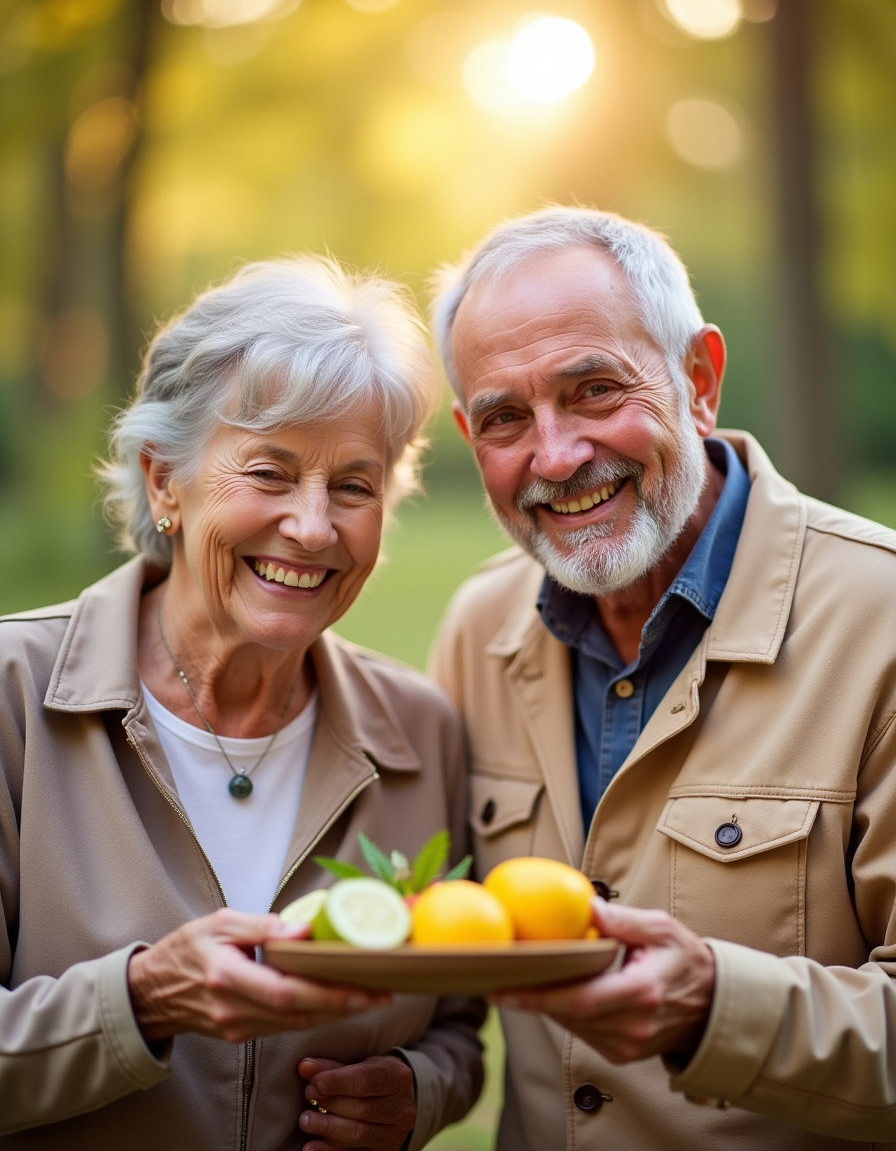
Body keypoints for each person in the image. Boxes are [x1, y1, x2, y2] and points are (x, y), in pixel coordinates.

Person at [428, 206, 896, 1151]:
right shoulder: (477, 626)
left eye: (595, 390)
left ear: (700, 379)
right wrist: (411, 1084)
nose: (555, 457)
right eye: (505, 418)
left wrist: (716, 1008)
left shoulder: (883, 624)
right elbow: (442, 982)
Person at [0, 256, 484, 1149]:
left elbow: (457, 1020)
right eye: (268, 472)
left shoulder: (421, 731)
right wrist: (137, 1003)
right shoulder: (14, 697)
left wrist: (420, 1090)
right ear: (162, 482)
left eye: (354, 485)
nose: (312, 526)